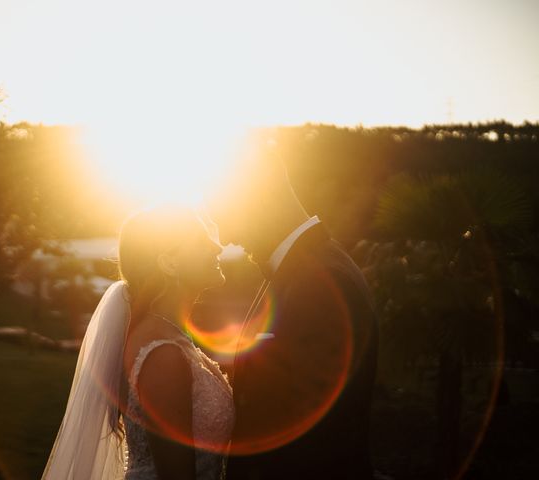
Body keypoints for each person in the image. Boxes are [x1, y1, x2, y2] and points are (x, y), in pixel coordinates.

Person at [207, 139, 378, 479]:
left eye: (226, 214)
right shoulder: (302, 270)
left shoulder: (322, 283)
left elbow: (316, 437)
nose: (226, 237)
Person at [43, 206, 234, 480]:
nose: (217, 247)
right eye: (203, 241)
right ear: (169, 263)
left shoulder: (171, 337)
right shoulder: (162, 354)